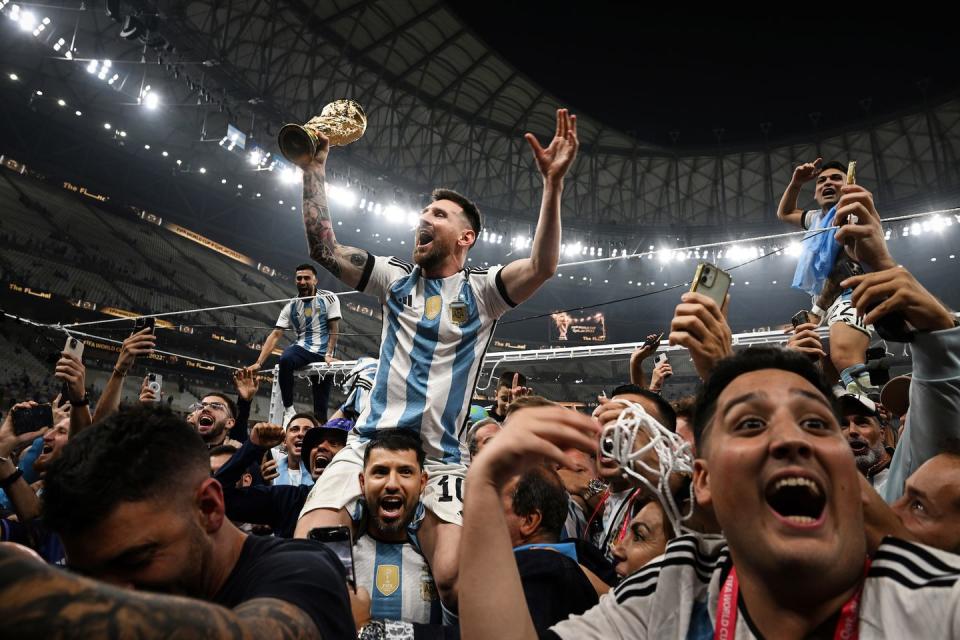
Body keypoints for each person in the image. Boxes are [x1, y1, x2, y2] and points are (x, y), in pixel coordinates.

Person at [459, 348, 960, 639]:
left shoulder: (939, 605)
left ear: (846, 472)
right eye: (750, 423)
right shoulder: (672, 593)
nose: (790, 439)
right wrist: (483, 485)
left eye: (813, 421)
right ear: (704, 480)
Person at [295, 108, 581, 607]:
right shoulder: (394, 278)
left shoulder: (483, 292)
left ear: (465, 238)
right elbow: (325, 250)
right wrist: (313, 169)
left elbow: (542, 266)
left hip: (442, 461)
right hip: (368, 445)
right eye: (425, 213)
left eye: (439, 215)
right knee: (310, 552)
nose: (424, 219)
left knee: (451, 577)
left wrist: (552, 186)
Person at [0, 406, 355, 638]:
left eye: (137, 560)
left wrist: (17, 582)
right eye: (87, 579)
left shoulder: (305, 571)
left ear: (209, 507)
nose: (117, 592)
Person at [776, 158, 879, 394]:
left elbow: (844, 268)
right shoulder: (815, 219)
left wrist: (816, 313)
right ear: (816, 192)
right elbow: (785, 213)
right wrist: (796, 183)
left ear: (849, 185)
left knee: (845, 357)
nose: (827, 183)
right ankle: (846, 418)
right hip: (829, 298)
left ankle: (876, 418)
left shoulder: (851, 214)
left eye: (835, 178)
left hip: (852, 292)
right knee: (824, 375)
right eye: (821, 180)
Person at [216, 419, 351, 538]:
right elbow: (219, 498)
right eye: (316, 444)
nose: (321, 446)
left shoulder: (367, 505)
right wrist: (253, 447)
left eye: (333, 443)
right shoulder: (289, 500)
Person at [247, 264, 341, 425]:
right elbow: (276, 334)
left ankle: (319, 433)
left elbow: (334, 329)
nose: (302, 281)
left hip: (324, 353)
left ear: (315, 280)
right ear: (295, 280)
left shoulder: (329, 298)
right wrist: (258, 363)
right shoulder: (291, 305)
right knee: (285, 359)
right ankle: (289, 410)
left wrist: (329, 354)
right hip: (303, 348)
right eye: (299, 278)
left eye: (307, 278)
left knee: (320, 406)